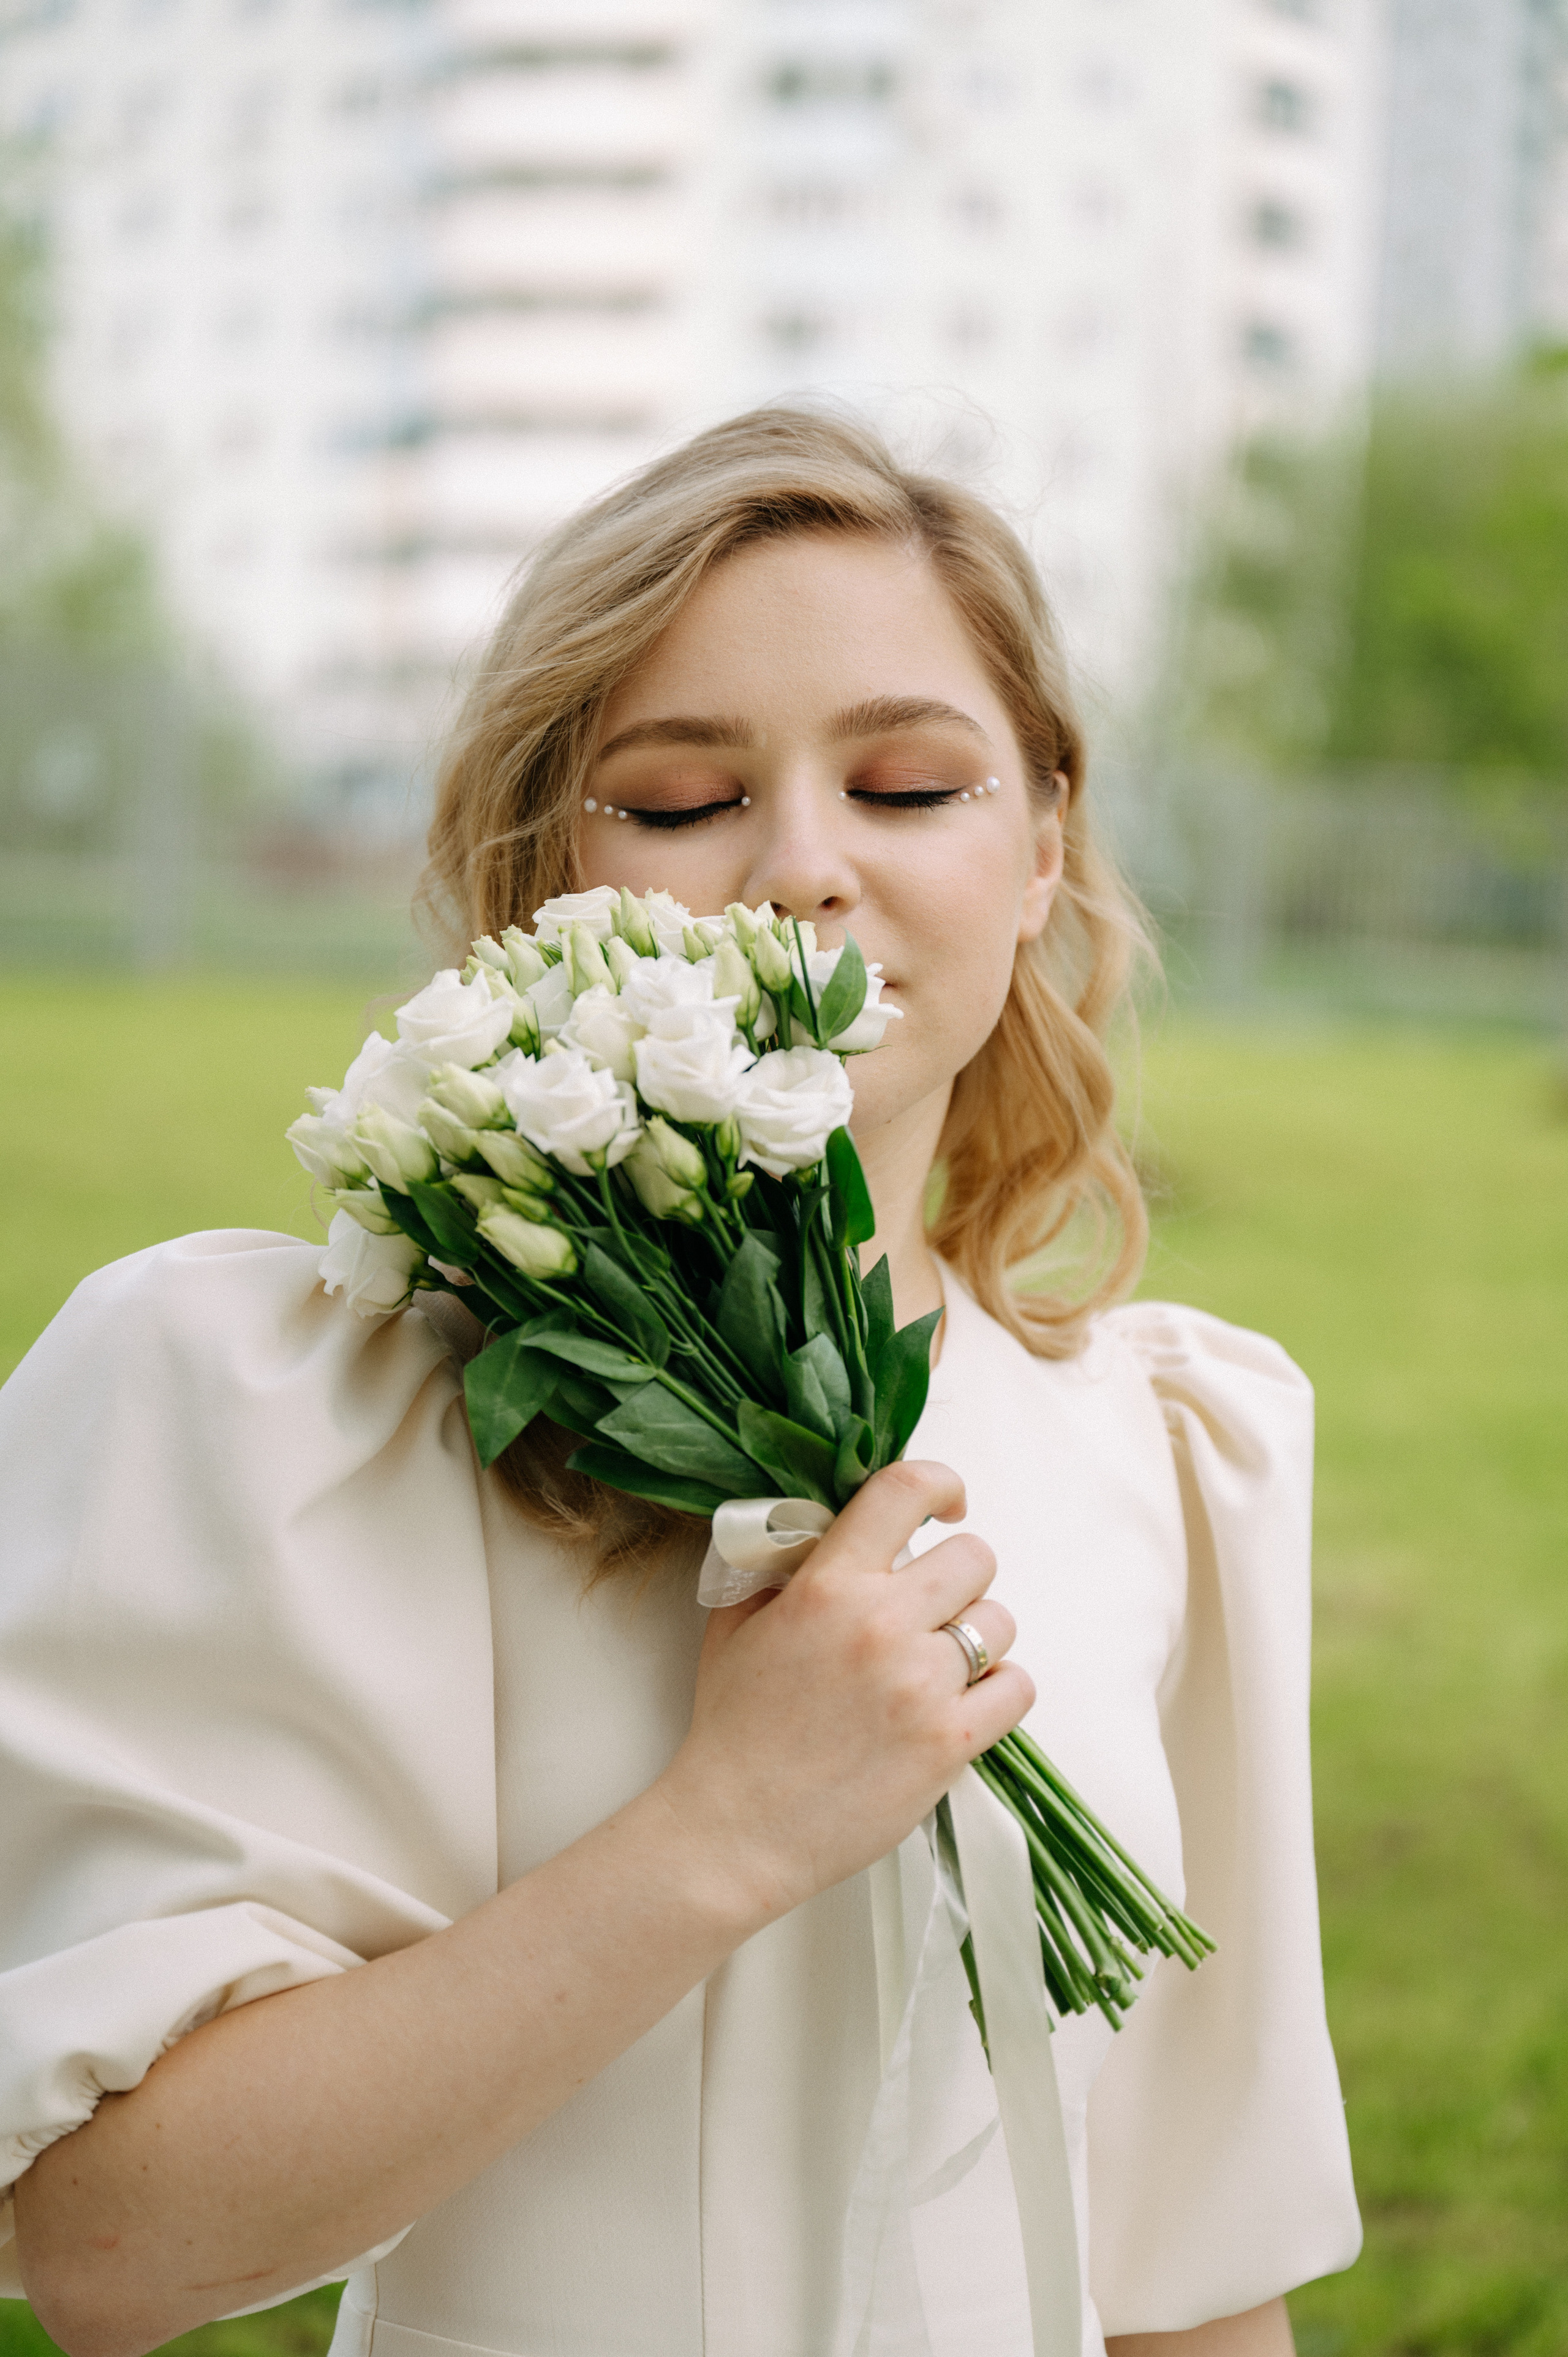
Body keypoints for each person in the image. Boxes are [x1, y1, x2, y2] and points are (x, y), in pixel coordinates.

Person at [0, 409, 1360, 2357]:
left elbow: (1188, 2274)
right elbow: (117, 2252)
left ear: (1042, 844)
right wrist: (718, 1833)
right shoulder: (291, 1415)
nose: (806, 869)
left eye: (908, 783)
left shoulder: (1166, 1456)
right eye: (674, 799)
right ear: (538, 858)